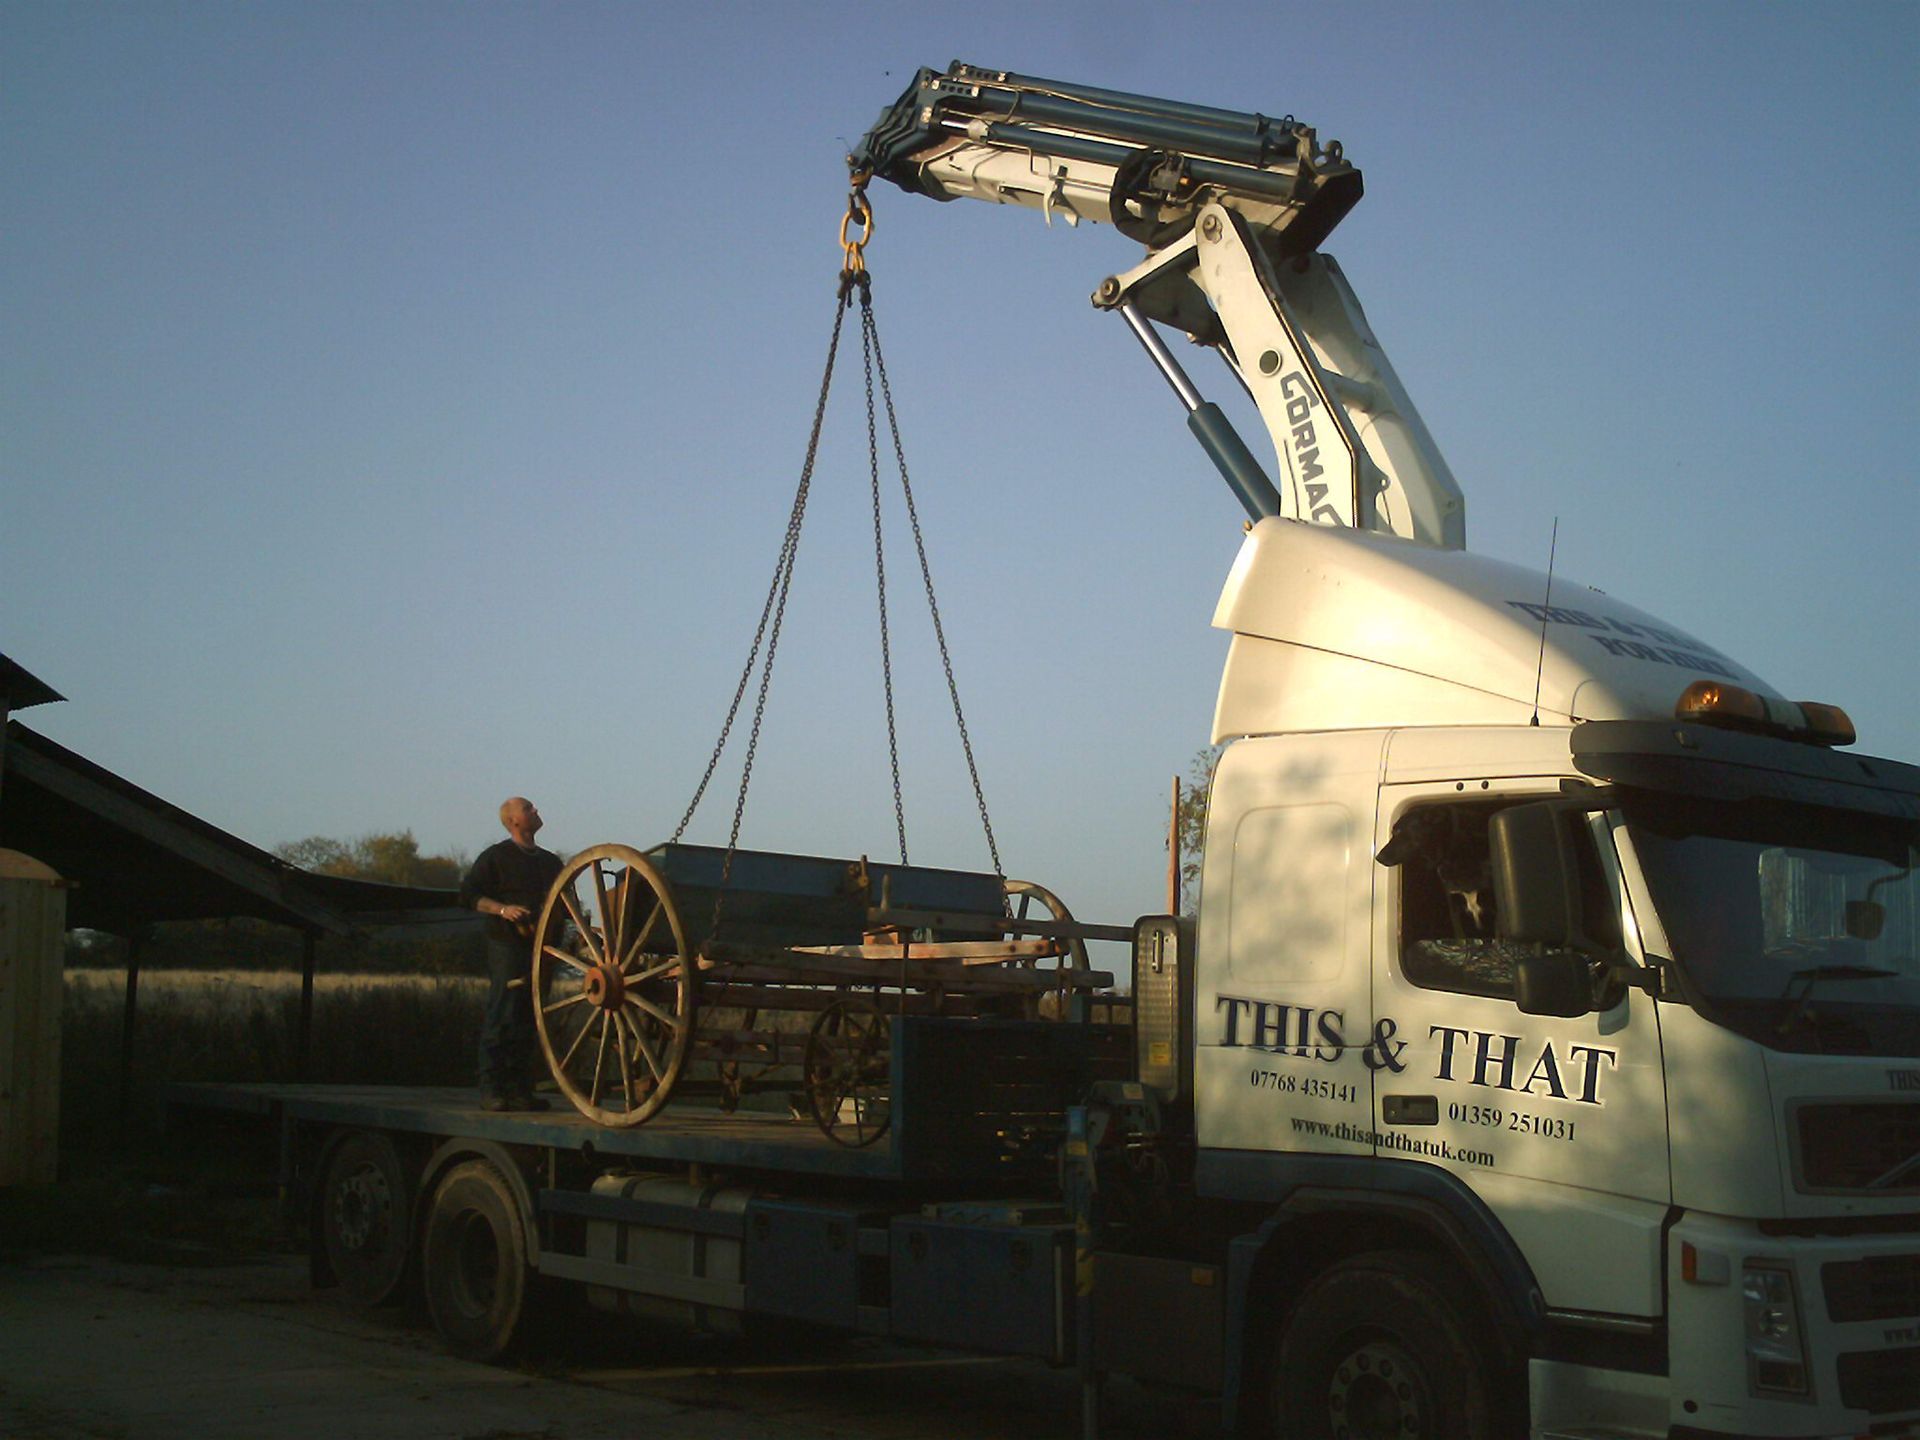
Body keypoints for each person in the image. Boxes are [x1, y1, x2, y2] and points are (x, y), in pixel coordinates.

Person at [460, 796, 564, 1111]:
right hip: (507, 945)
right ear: (514, 821)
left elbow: (564, 904)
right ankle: (492, 1089)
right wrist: (502, 909)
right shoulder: (495, 857)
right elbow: (468, 896)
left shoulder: (550, 862)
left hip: (542, 947)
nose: (536, 810)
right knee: (503, 1012)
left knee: (531, 1017)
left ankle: (521, 1090)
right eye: (528, 808)